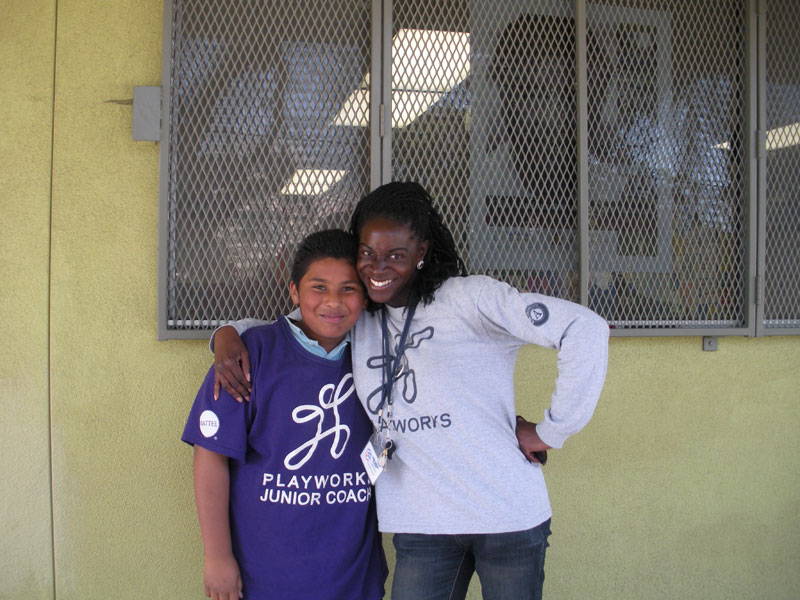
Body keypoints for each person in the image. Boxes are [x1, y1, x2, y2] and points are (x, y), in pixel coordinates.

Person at [212, 182, 609, 600]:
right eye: (368, 253)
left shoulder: (470, 299)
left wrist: (551, 431)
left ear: (421, 251)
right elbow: (294, 325)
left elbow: (584, 328)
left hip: (506, 515)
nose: (378, 267)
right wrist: (226, 334)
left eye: (396, 255)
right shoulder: (361, 316)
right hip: (423, 525)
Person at [182, 229, 387, 600]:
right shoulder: (249, 355)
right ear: (294, 291)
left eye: (348, 289)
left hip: (353, 575)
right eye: (319, 287)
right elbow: (211, 455)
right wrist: (217, 557)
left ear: (365, 295)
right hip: (263, 575)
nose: (333, 302)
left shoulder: (376, 356)